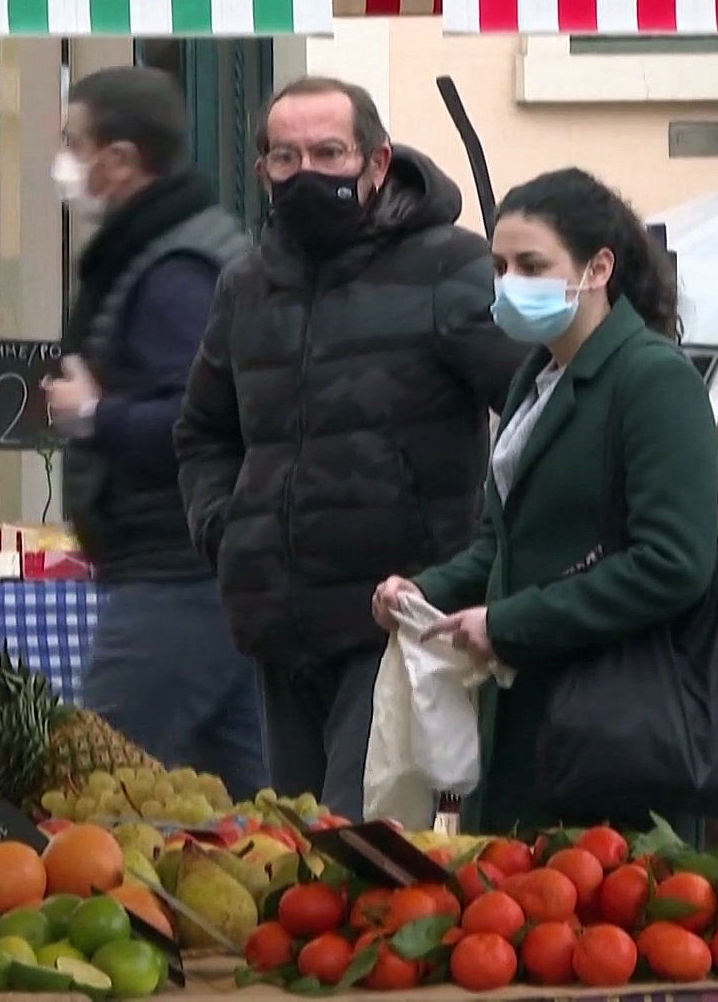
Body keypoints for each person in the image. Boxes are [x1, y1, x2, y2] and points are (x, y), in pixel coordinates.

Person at [174, 77, 526, 820]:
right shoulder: (246, 286)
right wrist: (225, 530)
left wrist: (481, 558)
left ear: (376, 160)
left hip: (392, 622)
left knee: (355, 839)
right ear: (264, 170)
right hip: (278, 624)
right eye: (286, 157)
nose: (307, 172)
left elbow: (534, 409)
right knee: (298, 842)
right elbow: (204, 430)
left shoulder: (449, 268)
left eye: (329, 153)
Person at [370, 168, 718, 835]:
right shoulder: (536, 377)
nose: (509, 284)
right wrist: (422, 591)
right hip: (526, 725)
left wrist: (509, 624)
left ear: (598, 268)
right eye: (499, 267)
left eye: (532, 266)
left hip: (619, 730)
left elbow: (674, 562)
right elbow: (504, 543)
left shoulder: (653, 378)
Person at [47, 66, 267, 801]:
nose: (63, 164)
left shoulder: (176, 270)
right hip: (201, 568)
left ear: (120, 159)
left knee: (93, 784)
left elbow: (201, 416)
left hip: (177, 572)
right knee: (242, 797)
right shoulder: (166, 248)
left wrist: (95, 415)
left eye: (73, 144)